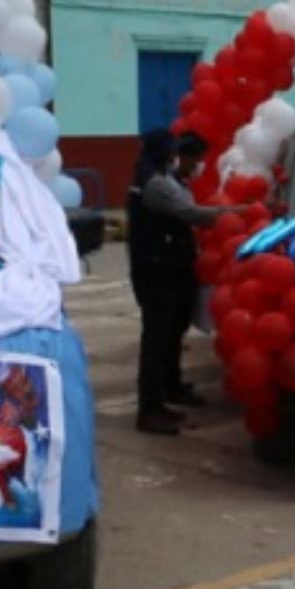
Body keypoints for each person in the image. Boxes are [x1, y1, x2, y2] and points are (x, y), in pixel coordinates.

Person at [128, 130, 223, 434]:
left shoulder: (159, 177)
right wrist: (234, 213)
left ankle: (169, 387)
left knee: (171, 333)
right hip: (156, 271)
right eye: (173, 151)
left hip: (168, 267)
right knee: (157, 338)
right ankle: (150, 409)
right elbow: (191, 214)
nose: (177, 156)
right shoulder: (154, 184)